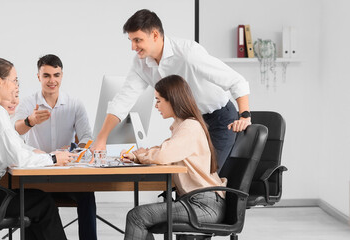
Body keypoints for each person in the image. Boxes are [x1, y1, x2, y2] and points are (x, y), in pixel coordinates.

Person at [92, 9, 252, 170]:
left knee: (207, 174)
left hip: (218, 119)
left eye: (137, 40)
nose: (133, 47)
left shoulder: (188, 53)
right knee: (180, 175)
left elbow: (236, 81)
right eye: (131, 40)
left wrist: (244, 115)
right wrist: (101, 138)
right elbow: (123, 100)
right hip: (187, 125)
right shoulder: (140, 64)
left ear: (155, 35)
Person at [0, 57, 77, 240]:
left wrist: (38, 154)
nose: (16, 86)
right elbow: (17, 158)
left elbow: (14, 146)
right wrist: (52, 159)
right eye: (14, 80)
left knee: (37, 201)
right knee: (43, 203)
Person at [121, 75, 227, 240]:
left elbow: (163, 154)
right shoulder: (184, 127)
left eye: (158, 100)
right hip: (199, 201)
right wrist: (137, 156)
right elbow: (165, 148)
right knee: (142, 218)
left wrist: (140, 156)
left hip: (204, 205)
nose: (156, 106)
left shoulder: (190, 127)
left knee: (137, 216)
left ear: (172, 100)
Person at [14, 54, 98, 240]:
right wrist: (30, 120)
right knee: (30, 202)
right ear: (38, 77)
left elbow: (86, 137)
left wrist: (76, 150)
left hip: (67, 172)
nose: (52, 80)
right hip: (38, 174)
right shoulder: (28, 103)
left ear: (62, 76)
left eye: (56, 75)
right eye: (46, 76)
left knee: (87, 195)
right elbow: (15, 131)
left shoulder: (75, 104)